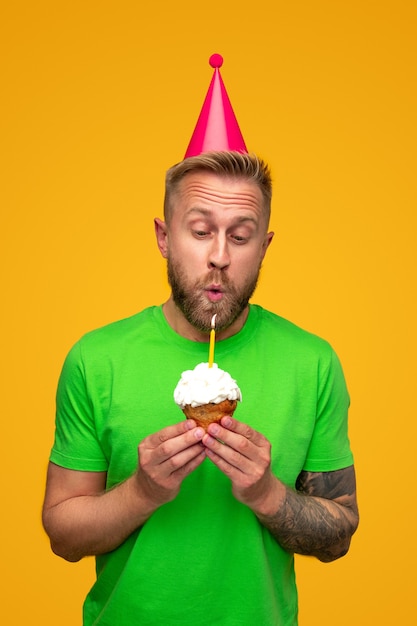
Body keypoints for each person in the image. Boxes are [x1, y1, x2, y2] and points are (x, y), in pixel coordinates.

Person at [42, 150, 359, 626]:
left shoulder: (313, 362)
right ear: (164, 237)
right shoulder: (96, 359)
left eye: (241, 235)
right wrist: (143, 492)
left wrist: (267, 495)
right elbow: (62, 538)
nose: (220, 256)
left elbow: (339, 537)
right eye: (201, 230)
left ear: (265, 246)